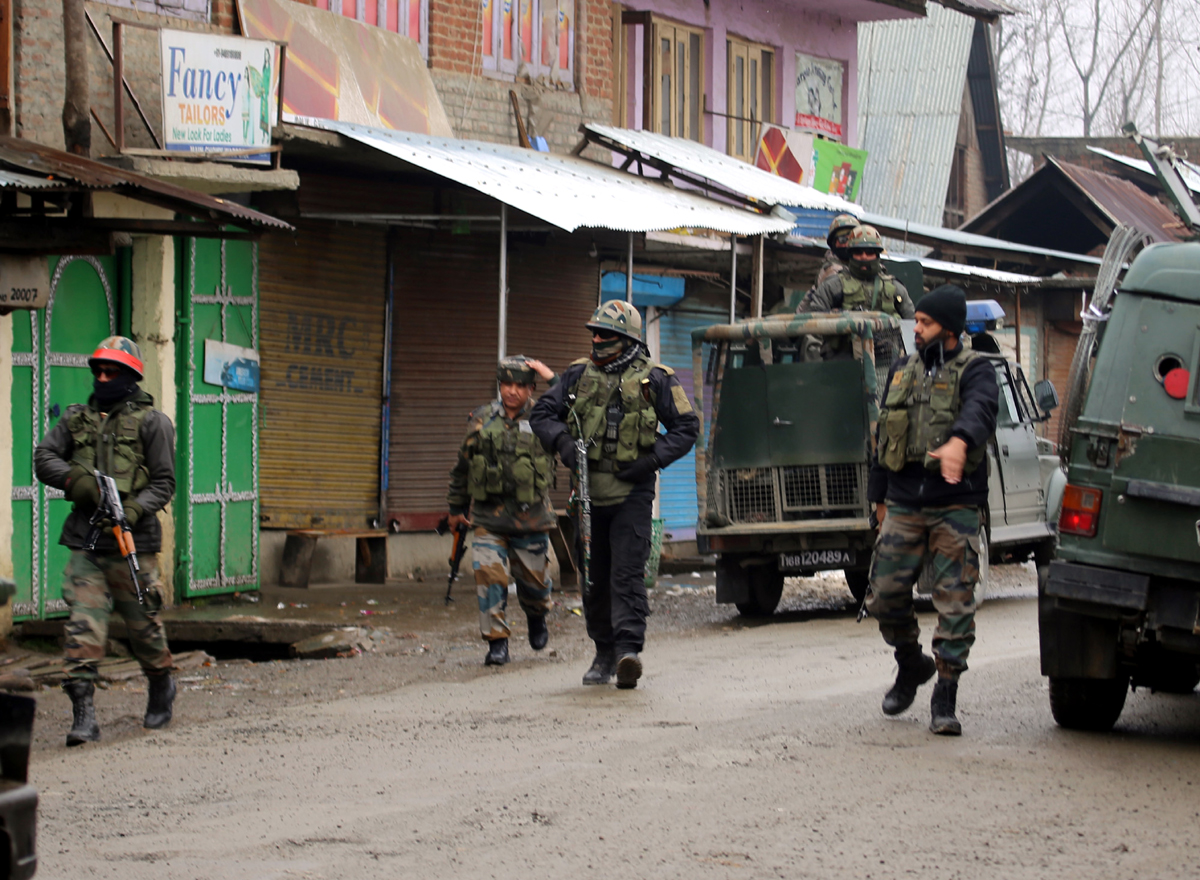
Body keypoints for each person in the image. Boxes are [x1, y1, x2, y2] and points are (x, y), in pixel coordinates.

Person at [531, 301, 699, 689]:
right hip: (588, 495)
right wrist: (564, 445)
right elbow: (542, 414)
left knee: (626, 575)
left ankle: (628, 652)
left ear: (627, 339)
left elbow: (687, 426)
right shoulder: (577, 374)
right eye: (594, 333)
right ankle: (603, 652)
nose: (597, 340)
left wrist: (652, 460)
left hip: (631, 493)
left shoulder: (655, 378)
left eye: (605, 335)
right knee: (594, 578)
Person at [865, 285, 998, 735]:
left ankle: (945, 693)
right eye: (915, 322)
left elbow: (980, 411)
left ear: (950, 328)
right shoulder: (902, 368)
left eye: (924, 323)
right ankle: (910, 664)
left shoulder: (976, 370)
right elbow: (883, 435)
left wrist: (959, 441)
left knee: (955, 601)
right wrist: (879, 498)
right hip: (903, 500)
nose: (916, 330)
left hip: (954, 505)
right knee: (884, 594)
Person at [33, 336, 177, 746]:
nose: (102, 377)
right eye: (97, 370)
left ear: (130, 376)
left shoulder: (153, 423)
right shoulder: (76, 419)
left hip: (134, 542)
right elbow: (44, 457)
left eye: (111, 371)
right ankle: (83, 715)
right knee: (83, 626)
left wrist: (132, 511)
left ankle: (161, 685)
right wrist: (77, 482)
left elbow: (164, 482)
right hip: (86, 540)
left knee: (143, 626)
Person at [446, 356, 558, 666]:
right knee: (489, 579)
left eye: (520, 385)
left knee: (535, 586)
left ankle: (537, 616)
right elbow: (462, 468)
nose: (512, 391)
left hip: (532, 519)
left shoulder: (546, 415)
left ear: (531, 388)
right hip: (488, 519)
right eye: (506, 384)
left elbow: (576, 410)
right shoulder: (481, 419)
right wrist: (456, 508)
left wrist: (552, 377)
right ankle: (497, 642)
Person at [799, 224, 915, 318]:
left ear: (877, 255)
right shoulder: (833, 286)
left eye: (869, 252)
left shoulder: (895, 288)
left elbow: (912, 325)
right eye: (858, 252)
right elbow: (814, 326)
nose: (864, 257)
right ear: (850, 254)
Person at [771, 213, 860, 314]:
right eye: (843, 240)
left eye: (852, 239)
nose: (847, 244)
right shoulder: (833, 271)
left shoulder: (855, 265)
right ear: (834, 243)